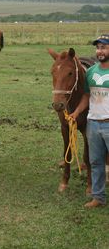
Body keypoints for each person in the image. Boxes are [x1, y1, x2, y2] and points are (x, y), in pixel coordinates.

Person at [70, 34, 109, 208]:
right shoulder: (92, 71)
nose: (100, 51)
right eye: (98, 47)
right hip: (93, 123)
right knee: (95, 162)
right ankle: (98, 197)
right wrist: (76, 112)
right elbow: (87, 95)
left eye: (104, 47)